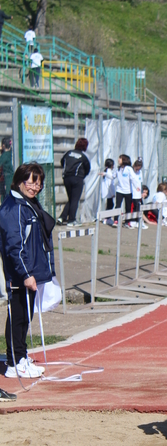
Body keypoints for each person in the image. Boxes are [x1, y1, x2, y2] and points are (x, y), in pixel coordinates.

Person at [0, 162, 55, 379]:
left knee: (25, 317)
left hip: (31, 271)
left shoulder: (29, 204)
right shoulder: (13, 208)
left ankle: (21, 357)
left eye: (39, 183)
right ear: (20, 181)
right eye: (31, 181)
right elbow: (15, 246)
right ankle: (14, 362)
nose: (35, 187)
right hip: (20, 275)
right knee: (18, 317)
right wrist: (25, 274)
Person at [58, 137, 91, 225]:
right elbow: (87, 168)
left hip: (66, 178)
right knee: (75, 200)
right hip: (77, 178)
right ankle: (72, 220)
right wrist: (82, 175)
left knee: (72, 199)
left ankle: (62, 217)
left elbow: (62, 162)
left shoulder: (68, 153)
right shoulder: (83, 156)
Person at [113, 154, 135, 226]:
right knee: (118, 205)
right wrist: (105, 174)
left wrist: (136, 188)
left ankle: (127, 221)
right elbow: (113, 176)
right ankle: (116, 220)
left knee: (128, 206)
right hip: (119, 190)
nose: (118, 160)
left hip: (128, 191)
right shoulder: (118, 169)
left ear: (124, 160)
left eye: (120, 158)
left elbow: (133, 179)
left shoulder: (129, 169)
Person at [129, 158, 144, 229]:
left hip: (138, 193)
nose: (137, 170)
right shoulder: (131, 171)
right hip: (132, 192)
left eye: (139, 169)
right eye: (136, 168)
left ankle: (138, 220)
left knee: (138, 206)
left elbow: (140, 182)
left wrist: (141, 192)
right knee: (133, 207)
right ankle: (132, 220)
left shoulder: (140, 172)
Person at [100, 158, 116, 222]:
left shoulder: (105, 171)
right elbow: (110, 184)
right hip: (109, 192)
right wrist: (113, 193)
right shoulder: (109, 172)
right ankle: (107, 218)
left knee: (109, 204)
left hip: (107, 192)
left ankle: (106, 218)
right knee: (110, 205)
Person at [0, 136, 14, 203]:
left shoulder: (4, 155)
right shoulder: (10, 153)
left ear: (3, 145)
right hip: (10, 176)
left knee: (6, 194)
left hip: (7, 178)